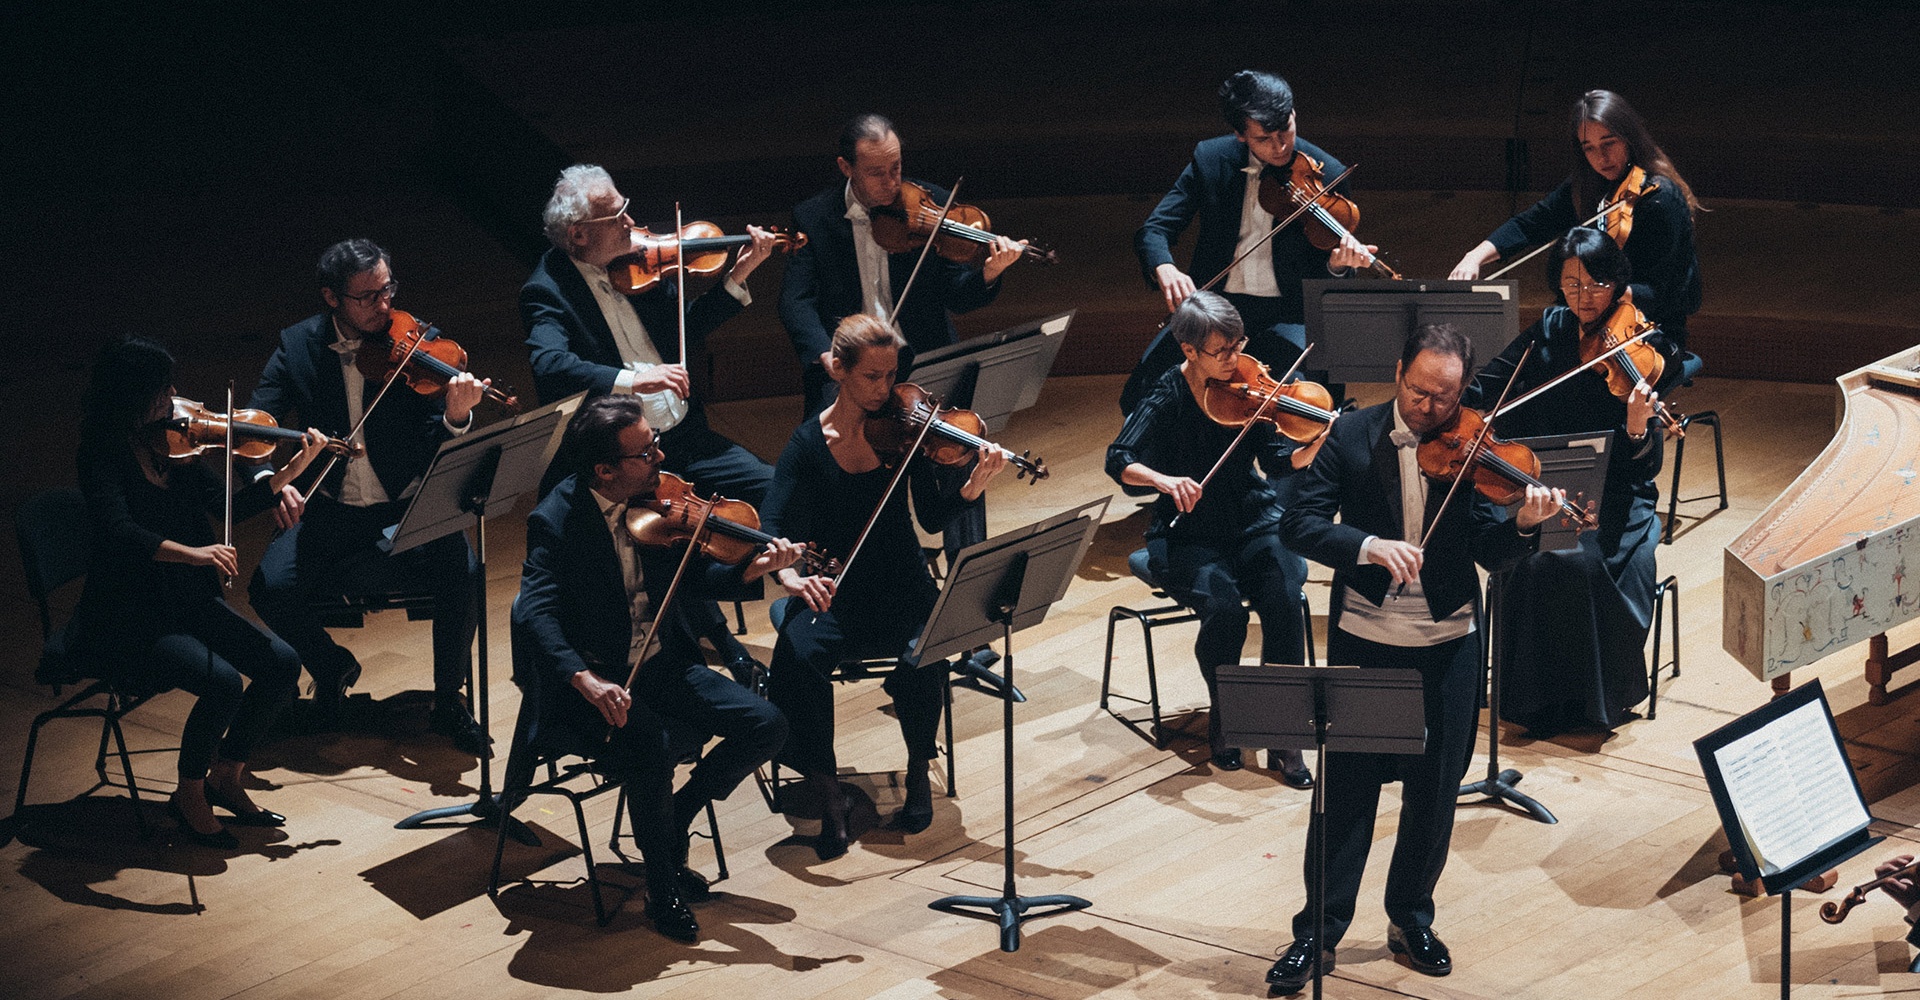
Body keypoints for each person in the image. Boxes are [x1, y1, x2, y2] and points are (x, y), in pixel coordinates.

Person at [1266, 324, 1555, 994]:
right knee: (1347, 798)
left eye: (1445, 397)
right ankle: (1318, 931)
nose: (1431, 409)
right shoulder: (1349, 434)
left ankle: (1409, 918)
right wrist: (1368, 547)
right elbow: (1300, 523)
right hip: (1367, 641)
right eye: (1420, 392)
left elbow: (1491, 552)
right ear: (1399, 372)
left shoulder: (1477, 444)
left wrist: (1523, 526)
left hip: (1448, 641)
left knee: (1434, 798)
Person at [509, 395, 797, 942]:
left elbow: (695, 585)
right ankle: (662, 887)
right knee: (648, 745)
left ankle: (679, 819)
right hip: (594, 682)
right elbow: (536, 614)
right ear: (605, 470)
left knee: (768, 724)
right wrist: (585, 679)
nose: (661, 458)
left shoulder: (659, 503)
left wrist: (752, 568)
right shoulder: (556, 520)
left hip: (661, 664)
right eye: (646, 452)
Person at [760, 314, 1008, 860]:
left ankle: (919, 767)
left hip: (901, 582)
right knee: (798, 660)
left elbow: (935, 517)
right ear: (838, 370)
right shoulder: (807, 444)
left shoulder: (904, 432)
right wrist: (791, 577)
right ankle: (827, 791)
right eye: (872, 376)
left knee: (927, 651)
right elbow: (774, 529)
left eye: (892, 374)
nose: (886, 389)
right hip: (835, 590)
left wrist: (970, 488)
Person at [522, 164, 780, 685]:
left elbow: (687, 334)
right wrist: (630, 380)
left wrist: (738, 276)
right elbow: (549, 366)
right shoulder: (547, 291)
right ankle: (725, 648)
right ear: (579, 234)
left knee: (776, 486)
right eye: (616, 215)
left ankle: (805, 593)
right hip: (627, 455)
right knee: (664, 541)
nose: (632, 223)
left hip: (682, 434)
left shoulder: (638, 266)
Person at [74, 335, 328, 847]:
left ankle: (225, 777)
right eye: (162, 391)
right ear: (132, 400)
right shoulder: (102, 455)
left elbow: (235, 504)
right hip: (131, 613)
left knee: (280, 664)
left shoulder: (177, 450)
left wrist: (298, 466)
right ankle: (188, 794)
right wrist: (195, 554)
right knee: (223, 683)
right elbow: (120, 534)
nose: (175, 399)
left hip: (189, 599)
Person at [246, 239, 491, 755]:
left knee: (463, 571)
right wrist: (272, 478)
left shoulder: (417, 342)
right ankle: (332, 666)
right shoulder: (297, 348)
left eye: (388, 290)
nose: (384, 306)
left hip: (405, 505)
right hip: (329, 509)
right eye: (367, 297)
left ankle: (450, 699)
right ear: (331, 298)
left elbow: (434, 445)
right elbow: (257, 428)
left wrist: (456, 417)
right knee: (270, 587)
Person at [1464, 226, 1682, 735]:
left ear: (1617, 282)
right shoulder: (1551, 327)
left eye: (1596, 284)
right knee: (1530, 555)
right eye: (1571, 284)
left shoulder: (1648, 346)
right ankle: (1534, 703)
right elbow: (1488, 383)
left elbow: (1645, 466)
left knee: (1579, 561)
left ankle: (1592, 702)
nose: (1585, 298)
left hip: (1615, 490)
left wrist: (1635, 427)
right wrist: (1450, 386)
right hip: (1539, 479)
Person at [1105, 291, 1323, 785]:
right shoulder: (1165, 395)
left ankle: (1285, 732)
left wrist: (1311, 448)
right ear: (1189, 351)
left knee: (1286, 600)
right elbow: (1118, 458)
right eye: (1222, 351)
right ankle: (1227, 716)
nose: (1235, 358)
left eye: (1237, 344)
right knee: (1226, 610)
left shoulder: (1250, 387)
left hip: (1252, 517)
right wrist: (1163, 480)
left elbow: (1274, 462)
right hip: (1189, 530)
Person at [1124, 69, 1376, 415]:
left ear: (1294, 115)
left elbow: (1330, 283)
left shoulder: (1327, 174)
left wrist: (1337, 267)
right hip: (1217, 306)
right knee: (1141, 394)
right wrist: (1164, 266)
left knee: (1303, 405)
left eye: (1285, 130)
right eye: (1264, 138)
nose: (1281, 146)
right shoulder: (1211, 160)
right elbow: (1154, 229)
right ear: (1241, 135)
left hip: (1289, 312)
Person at [778, 112, 1026, 418]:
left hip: (919, 357)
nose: (891, 183)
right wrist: (826, 354)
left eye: (896, 168)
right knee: (824, 450)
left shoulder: (933, 205)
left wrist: (990, 272)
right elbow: (795, 301)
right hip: (850, 365)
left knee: (953, 454)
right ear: (846, 168)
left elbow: (957, 297)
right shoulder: (814, 218)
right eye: (876, 173)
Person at [1449, 89, 1703, 351]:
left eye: (1609, 143)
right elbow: (1531, 224)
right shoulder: (1588, 188)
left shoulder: (1660, 199)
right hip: (1593, 318)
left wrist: (1602, 291)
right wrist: (1475, 256)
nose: (1601, 158)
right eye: (1589, 148)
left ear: (1630, 138)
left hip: (1650, 330)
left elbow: (1664, 294)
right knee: (1522, 356)